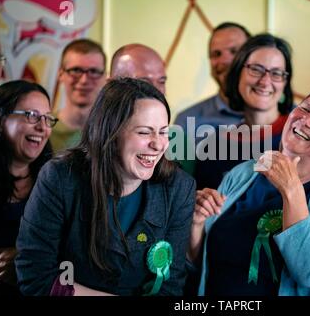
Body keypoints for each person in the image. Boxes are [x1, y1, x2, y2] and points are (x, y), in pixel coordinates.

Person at [189, 85, 310, 296]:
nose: (306, 120)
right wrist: (196, 225)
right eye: (305, 108)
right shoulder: (244, 172)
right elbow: (203, 259)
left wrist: (291, 188)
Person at [15, 78, 196, 296]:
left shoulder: (179, 188)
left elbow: (170, 286)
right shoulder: (60, 177)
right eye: (144, 132)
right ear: (110, 133)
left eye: (164, 132)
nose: (158, 144)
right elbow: (35, 278)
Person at [193, 33, 294, 190]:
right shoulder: (214, 145)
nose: (265, 81)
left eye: (276, 73)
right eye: (256, 69)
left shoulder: (299, 137)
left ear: (285, 83)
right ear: (237, 73)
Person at [0, 80, 55, 295]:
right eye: (31, 115)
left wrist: (24, 259)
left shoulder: (56, 181)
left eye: (47, 118)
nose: (42, 127)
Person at [174, 22, 250, 132]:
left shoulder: (280, 119)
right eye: (216, 54)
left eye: (234, 51)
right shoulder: (186, 121)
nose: (224, 61)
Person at [50, 39, 106, 152]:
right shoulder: (43, 131)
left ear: (105, 77)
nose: (84, 80)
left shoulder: (113, 133)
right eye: (76, 70)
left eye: (93, 71)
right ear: (60, 74)